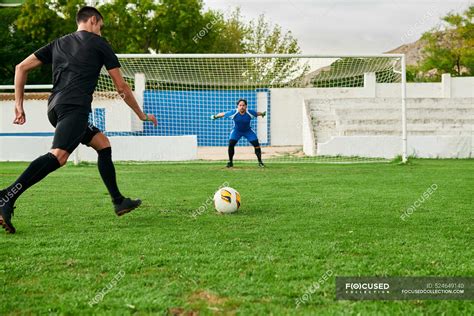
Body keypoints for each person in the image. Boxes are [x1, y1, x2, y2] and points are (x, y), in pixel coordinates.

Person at [0, 6, 157, 234]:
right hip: (75, 108)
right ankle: (7, 196)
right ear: (93, 20)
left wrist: (18, 104)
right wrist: (141, 114)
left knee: (102, 143)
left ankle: (118, 201)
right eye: (101, 27)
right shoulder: (99, 44)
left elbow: (21, 67)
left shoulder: (58, 43)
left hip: (55, 108)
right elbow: (121, 86)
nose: (101, 33)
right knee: (59, 156)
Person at [211, 99, 266, 168]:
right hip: (237, 131)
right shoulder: (233, 112)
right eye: (240, 105)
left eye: (243, 105)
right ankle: (230, 162)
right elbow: (223, 114)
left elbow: (257, 113)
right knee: (231, 144)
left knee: (256, 144)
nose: (242, 107)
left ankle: (260, 162)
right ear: (238, 106)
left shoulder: (250, 112)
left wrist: (263, 114)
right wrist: (215, 117)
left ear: (246, 106)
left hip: (248, 131)